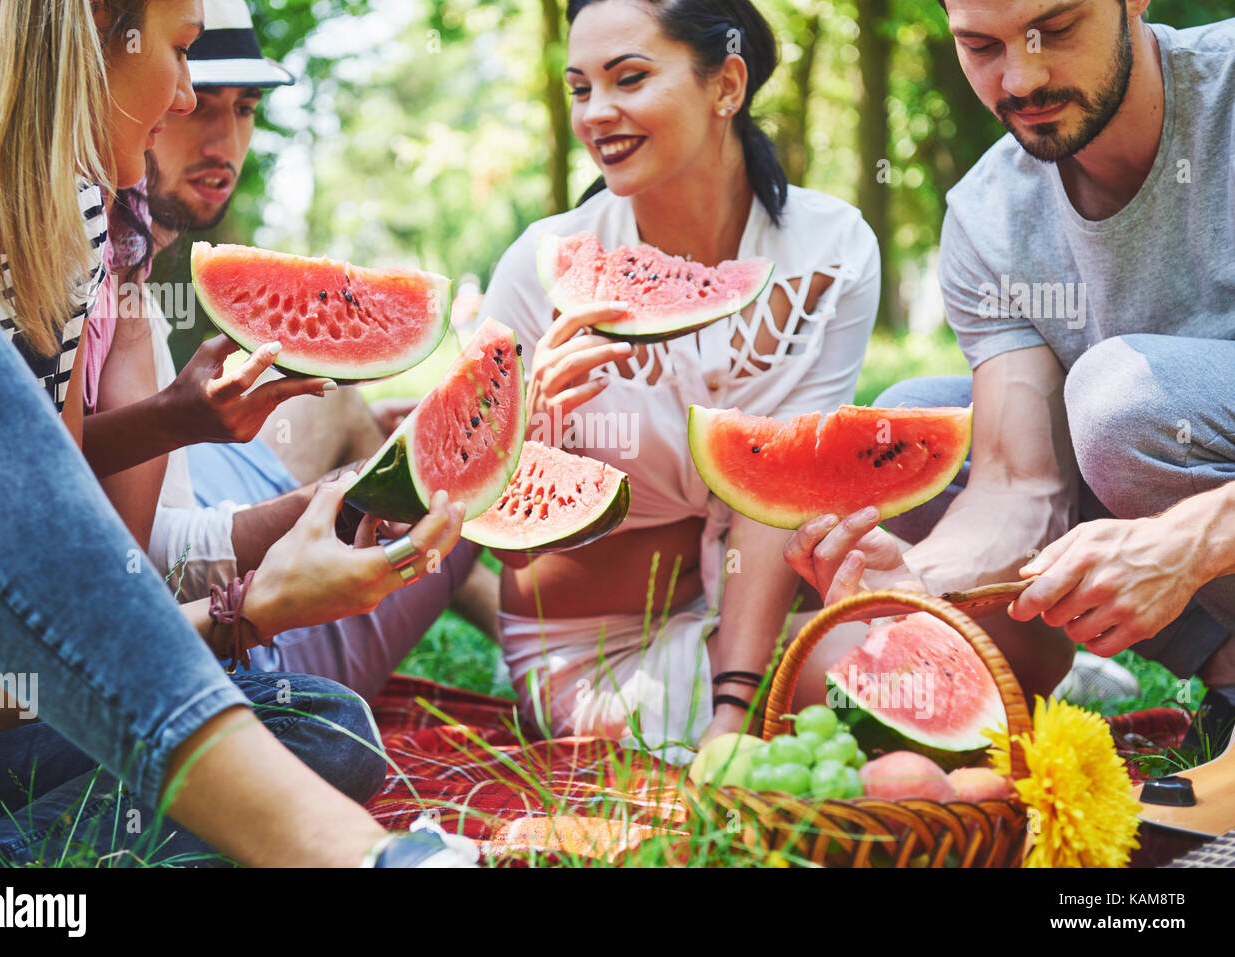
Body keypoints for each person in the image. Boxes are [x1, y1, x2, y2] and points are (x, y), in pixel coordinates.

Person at [0, 0, 472, 868]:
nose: (186, 98)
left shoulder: (72, 223)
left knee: (322, 722)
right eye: (183, 56)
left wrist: (299, 517)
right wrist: (243, 613)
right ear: (97, 30)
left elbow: (62, 557)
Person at [784, 0, 1235, 730]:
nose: (1021, 78)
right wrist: (920, 581)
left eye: (1055, 30)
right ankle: (1226, 672)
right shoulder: (987, 217)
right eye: (980, 46)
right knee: (918, 422)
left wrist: (1195, 539)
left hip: (1178, 474)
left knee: (1118, 397)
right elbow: (1020, 487)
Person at [480, 0, 881, 759]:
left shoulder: (832, 252)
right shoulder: (541, 266)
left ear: (727, 85)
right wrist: (528, 431)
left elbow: (775, 486)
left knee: (994, 661)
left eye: (627, 78)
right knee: (881, 682)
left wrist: (731, 709)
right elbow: (497, 538)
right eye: (579, 89)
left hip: (748, 619)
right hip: (589, 657)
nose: (597, 113)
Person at [87, 0, 498, 702]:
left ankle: (484, 597)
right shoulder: (86, 276)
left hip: (181, 545)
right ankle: (512, 621)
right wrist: (351, 491)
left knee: (341, 406)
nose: (224, 139)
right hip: (184, 644)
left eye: (245, 107)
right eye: (196, 101)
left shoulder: (132, 287)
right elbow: (145, 563)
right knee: (458, 498)